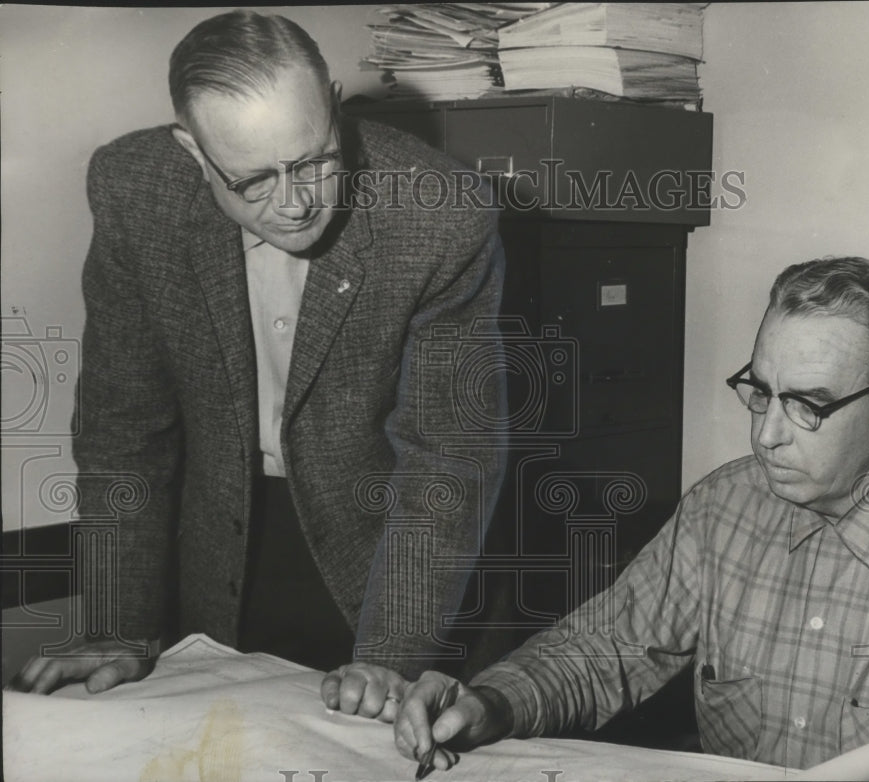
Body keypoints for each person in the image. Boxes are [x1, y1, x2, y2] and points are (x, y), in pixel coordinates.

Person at [325, 257, 869, 779]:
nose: (765, 437)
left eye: (809, 407)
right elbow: (604, 648)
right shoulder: (725, 508)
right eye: (759, 393)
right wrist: (491, 702)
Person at [13, 10, 505, 698]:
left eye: (314, 161)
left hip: (389, 550)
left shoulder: (439, 212)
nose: (297, 204)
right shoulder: (136, 190)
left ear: (332, 105)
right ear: (193, 151)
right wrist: (118, 628)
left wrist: (392, 658)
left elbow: (447, 458)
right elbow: (124, 435)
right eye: (252, 181)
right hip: (215, 543)